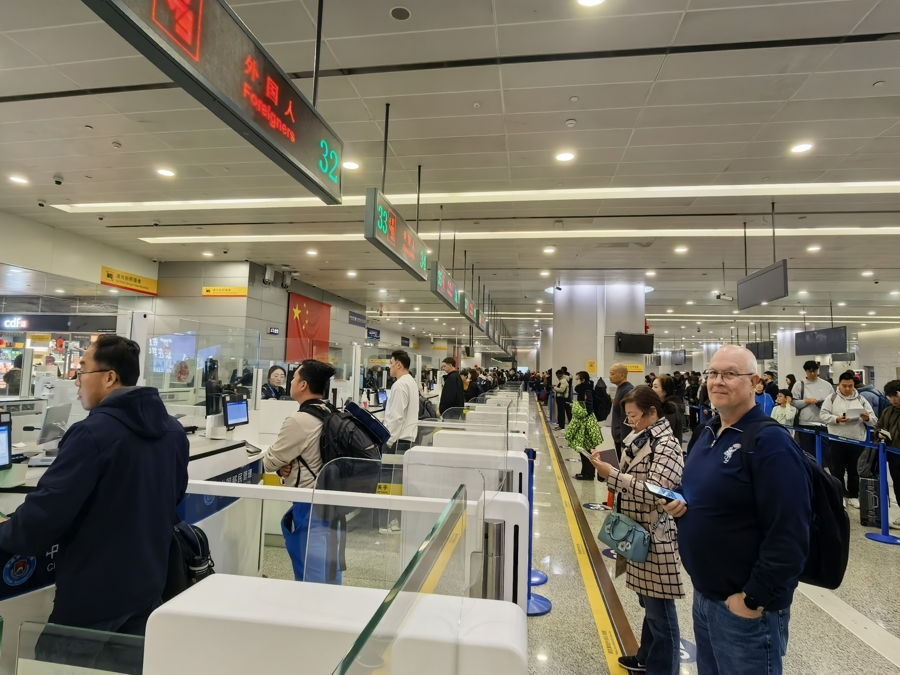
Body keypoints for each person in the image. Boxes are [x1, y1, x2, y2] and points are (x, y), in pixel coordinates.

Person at [0, 335, 189, 635]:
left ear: (109, 377)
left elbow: (47, 513)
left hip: (93, 595)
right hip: (149, 585)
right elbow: (175, 496)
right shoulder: (173, 430)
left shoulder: (91, 434)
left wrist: (6, 531)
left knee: (58, 667)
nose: (77, 381)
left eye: (82, 371)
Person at [663, 346, 811, 675]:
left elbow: (790, 533)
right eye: (713, 373)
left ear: (754, 382)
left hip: (744, 608)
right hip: (705, 597)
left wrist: (753, 599)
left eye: (730, 374)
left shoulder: (770, 443)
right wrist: (682, 501)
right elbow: (703, 491)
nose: (718, 381)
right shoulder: (706, 433)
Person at [590, 386, 684, 675]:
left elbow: (656, 491)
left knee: (660, 613)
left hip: (655, 537)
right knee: (649, 604)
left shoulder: (666, 445)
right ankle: (647, 657)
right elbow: (632, 475)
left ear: (652, 413)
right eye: (628, 417)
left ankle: (663, 668)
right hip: (638, 532)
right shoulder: (642, 437)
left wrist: (613, 475)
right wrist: (607, 466)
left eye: (634, 416)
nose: (631, 422)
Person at [263, 359, 343, 581]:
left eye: (295, 377)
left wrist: (281, 463)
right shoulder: (330, 411)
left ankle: (313, 611)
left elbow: (269, 462)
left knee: (312, 569)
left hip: (309, 504)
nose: (290, 381)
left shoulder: (299, 420)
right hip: (330, 501)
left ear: (303, 385)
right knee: (328, 566)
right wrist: (287, 464)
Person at [821, 371, 876, 509]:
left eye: (850, 386)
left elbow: (874, 420)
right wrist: (836, 419)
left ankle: (853, 495)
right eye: (844, 386)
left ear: (854, 385)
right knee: (836, 470)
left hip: (856, 441)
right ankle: (839, 495)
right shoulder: (831, 398)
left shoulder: (861, 399)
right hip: (836, 440)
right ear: (839, 384)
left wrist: (866, 418)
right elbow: (823, 415)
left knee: (854, 471)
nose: (847, 389)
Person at [792, 360, 834, 459]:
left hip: (823, 423)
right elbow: (793, 403)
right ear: (805, 372)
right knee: (808, 453)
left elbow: (833, 401)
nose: (812, 374)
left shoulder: (826, 385)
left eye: (814, 371)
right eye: (809, 371)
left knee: (824, 453)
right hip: (805, 424)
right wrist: (807, 401)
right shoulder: (799, 385)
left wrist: (823, 404)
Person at [383, 350, 419, 454]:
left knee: (390, 469)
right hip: (408, 438)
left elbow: (397, 416)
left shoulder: (400, 385)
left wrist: (389, 440)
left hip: (397, 441)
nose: (389, 366)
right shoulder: (411, 381)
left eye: (391, 363)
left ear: (399, 365)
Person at [875, 380, 900, 529]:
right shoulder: (887, 411)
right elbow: (878, 427)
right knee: (898, 484)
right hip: (894, 455)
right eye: (890, 397)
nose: (893, 400)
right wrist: (881, 434)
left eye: (896, 396)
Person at [571, 371, 598, 480]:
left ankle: (589, 474)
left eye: (577, 379)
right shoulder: (584, 390)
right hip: (584, 423)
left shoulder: (587, 390)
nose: (576, 381)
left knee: (587, 449)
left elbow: (589, 408)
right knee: (583, 449)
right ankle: (585, 472)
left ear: (583, 380)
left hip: (586, 424)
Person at [651, 374, 684, 444]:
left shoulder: (670, 409)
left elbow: (664, 432)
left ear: (665, 391)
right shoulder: (659, 405)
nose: (652, 389)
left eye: (655, 387)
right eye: (652, 386)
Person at [610, 363, 634, 453]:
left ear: (622, 375)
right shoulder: (621, 388)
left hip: (623, 439)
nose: (610, 376)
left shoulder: (627, 390)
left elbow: (628, 417)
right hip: (618, 437)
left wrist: (624, 443)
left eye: (612, 374)